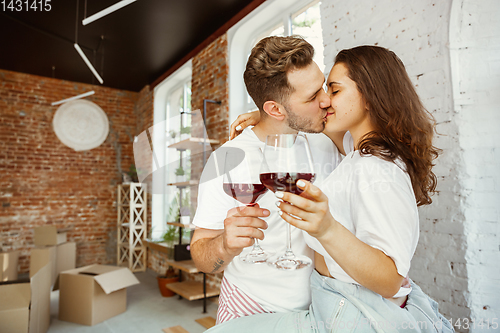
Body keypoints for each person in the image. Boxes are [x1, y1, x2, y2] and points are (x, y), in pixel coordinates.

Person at [206, 45, 455, 332]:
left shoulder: (377, 165)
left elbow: (390, 281)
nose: (325, 101)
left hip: (348, 307)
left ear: (370, 97)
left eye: (333, 90)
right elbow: (312, 122)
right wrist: (269, 113)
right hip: (331, 301)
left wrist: (326, 228)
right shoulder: (357, 150)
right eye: (320, 92)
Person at [190, 36, 343, 324]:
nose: (325, 99)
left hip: (324, 305)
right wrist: (224, 245)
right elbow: (201, 256)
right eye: (311, 97)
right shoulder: (227, 159)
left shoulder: (325, 139)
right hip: (250, 304)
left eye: (322, 85)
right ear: (274, 109)